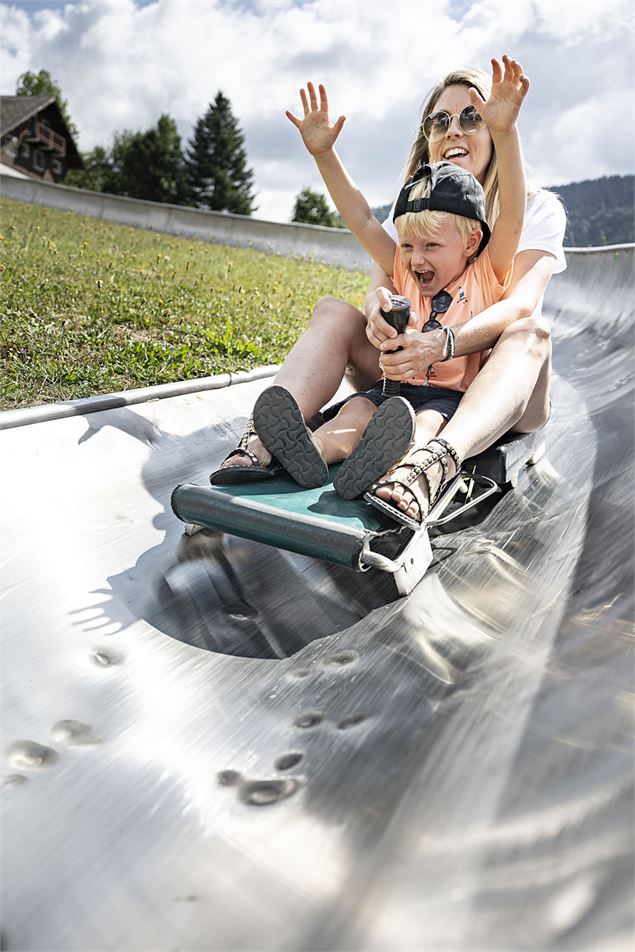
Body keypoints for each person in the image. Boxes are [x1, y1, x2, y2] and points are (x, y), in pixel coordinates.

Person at [211, 58, 566, 527]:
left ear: (472, 241)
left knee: (524, 335)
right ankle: (276, 444)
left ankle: (418, 467)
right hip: (396, 382)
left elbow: (517, 289)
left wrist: (506, 132)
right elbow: (362, 221)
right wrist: (324, 155)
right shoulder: (413, 219)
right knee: (355, 399)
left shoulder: (507, 240)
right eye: (440, 121)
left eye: (471, 116)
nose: (454, 130)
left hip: (479, 384)